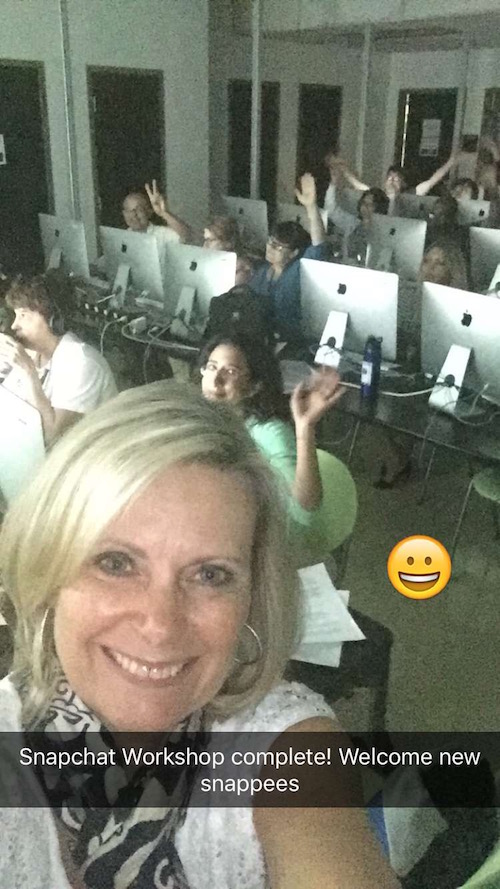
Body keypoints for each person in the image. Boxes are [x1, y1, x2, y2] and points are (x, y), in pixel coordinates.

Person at [0, 382, 399, 889]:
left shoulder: (284, 745)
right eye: (115, 563)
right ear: (49, 566)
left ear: (253, 594)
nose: (160, 624)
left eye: (210, 574)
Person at [199, 333, 357, 567]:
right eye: (212, 367)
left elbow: (304, 509)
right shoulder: (204, 423)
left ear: (254, 386)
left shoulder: (269, 433)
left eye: (230, 372)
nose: (216, 380)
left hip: (272, 552)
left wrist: (305, 428)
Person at [0, 275, 117, 444]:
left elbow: (52, 438)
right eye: (16, 315)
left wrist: (29, 372)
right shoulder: (32, 354)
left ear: (52, 319)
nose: (14, 325)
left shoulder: (81, 362)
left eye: (23, 315)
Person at [249, 173, 330, 345]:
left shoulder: (298, 270)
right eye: (270, 242)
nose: (270, 248)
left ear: (293, 253)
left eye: (278, 247)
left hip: (291, 342)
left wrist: (311, 207)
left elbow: (319, 246)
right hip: (261, 339)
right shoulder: (263, 271)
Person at [336, 152, 462, 208]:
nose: (391, 180)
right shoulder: (377, 195)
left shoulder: (411, 196)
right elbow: (356, 184)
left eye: (396, 179)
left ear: (403, 184)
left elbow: (432, 181)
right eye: (389, 177)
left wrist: (451, 162)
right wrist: (342, 167)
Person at [122, 180, 191, 245]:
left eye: (139, 209)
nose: (134, 215)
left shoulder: (161, 233)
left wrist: (163, 213)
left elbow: (187, 236)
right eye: (129, 210)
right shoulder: (121, 236)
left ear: (149, 212)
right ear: (124, 214)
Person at [345, 187, 390, 264]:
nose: (365, 207)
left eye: (370, 205)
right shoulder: (354, 226)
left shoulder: (384, 231)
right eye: (363, 203)